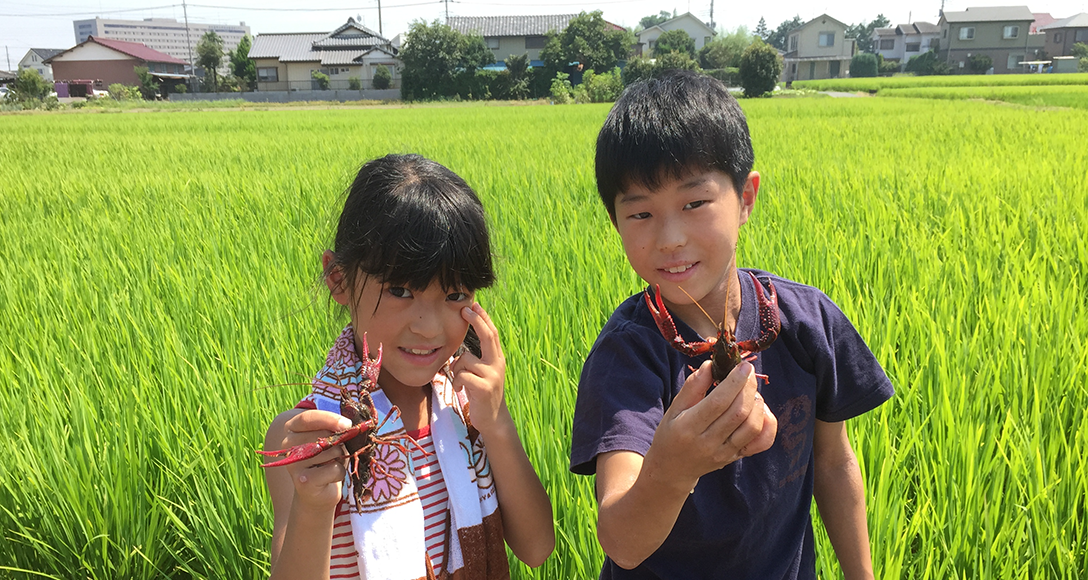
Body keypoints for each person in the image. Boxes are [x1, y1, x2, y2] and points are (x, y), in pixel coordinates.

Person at [569, 70, 894, 579]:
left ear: (745, 199)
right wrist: (672, 470)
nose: (670, 237)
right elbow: (621, 542)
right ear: (615, 221)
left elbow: (832, 463)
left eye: (694, 203)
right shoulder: (628, 355)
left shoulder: (806, 322)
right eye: (640, 215)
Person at [263, 153, 555, 580]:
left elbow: (536, 548)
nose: (429, 327)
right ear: (339, 279)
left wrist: (497, 424)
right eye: (401, 290)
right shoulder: (309, 434)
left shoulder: (468, 408)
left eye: (455, 295)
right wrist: (314, 506)